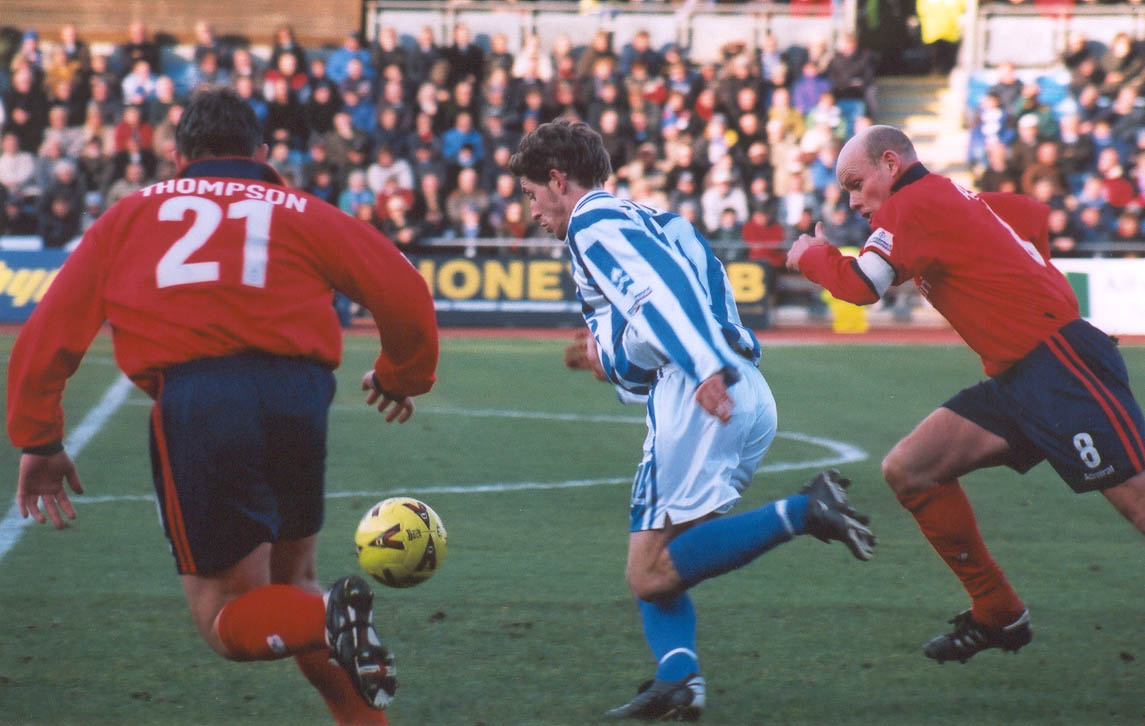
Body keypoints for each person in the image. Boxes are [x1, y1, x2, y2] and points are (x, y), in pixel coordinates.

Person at [6, 87, 440, 725]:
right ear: (261, 153)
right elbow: (404, 290)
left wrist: (39, 438)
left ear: (176, 156)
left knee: (224, 614)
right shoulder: (302, 209)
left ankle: (328, 618)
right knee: (294, 581)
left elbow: (51, 330)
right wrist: (403, 374)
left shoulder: (130, 214)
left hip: (203, 399)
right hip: (299, 394)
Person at [509, 120, 876, 721]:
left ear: (557, 180)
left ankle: (804, 510)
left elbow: (660, 293)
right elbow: (667, 310)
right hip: (745, 391)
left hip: (699, 394)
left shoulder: (591, 223)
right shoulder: (661, 222)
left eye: (530, 194)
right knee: (669, 558)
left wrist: (699, 363)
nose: (531, 211)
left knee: (648, 573)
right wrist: (616, 362)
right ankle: (679, 678)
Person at [786, 124, 1145, 664]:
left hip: (1058, 367)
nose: (855, 200)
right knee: (911, 469)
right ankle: (998, 612)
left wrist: (811, 256)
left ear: (890, 163)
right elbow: (1029, 215)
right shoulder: (947, 195)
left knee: (1138, 503)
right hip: (1018, 377)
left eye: (857, 183)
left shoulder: (910, 204)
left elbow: (862, 285)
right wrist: (1025, 278)